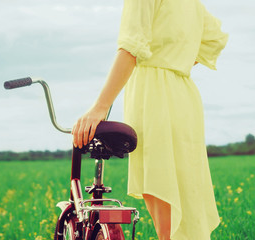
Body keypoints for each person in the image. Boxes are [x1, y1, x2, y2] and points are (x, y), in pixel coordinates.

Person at [71, 0, 228, 239]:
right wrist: (174, 60)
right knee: (183, 193)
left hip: (152, 95)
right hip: (183, 95)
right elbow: (215, 38)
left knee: (161, 189)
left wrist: (100, 107)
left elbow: (131, 48)